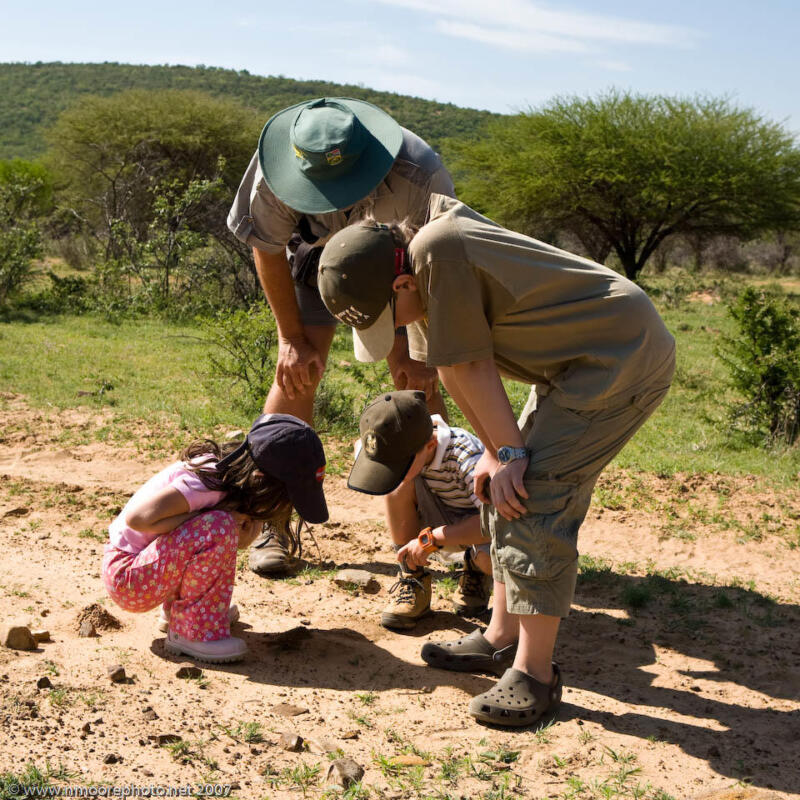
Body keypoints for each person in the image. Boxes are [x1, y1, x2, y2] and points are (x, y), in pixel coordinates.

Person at [316, 198, 676, 727]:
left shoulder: (437, 254)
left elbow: (473, 361)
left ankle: (536, 674)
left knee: (535, 495)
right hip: (569, 367)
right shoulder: (419, 278)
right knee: (501, 490)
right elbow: (453, 371)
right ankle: (500, 635)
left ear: (400, 287)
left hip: (618, 357)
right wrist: (492, 451)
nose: (388, 332)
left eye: (383, 319)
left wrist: (509, 454)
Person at [228, 96, 456, 576]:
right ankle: (270, 519)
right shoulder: (275, 172)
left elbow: (432, 266)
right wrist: (291, 338)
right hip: (317, 263)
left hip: (405, 270)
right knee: (297, 373)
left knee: (420, 387)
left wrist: (411, 348)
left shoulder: (419, 174)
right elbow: (267, 250)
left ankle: (452, 534)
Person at [102, 414, 328, 664]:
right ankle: (193, 631)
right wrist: (207, 516)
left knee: (219, 525)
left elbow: (226, 542)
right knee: (217, 526)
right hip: (127, 578)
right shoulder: (207, 482)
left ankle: (184, 614)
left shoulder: (235, 483)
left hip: (146, 571)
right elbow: (137, 519)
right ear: (262, 481)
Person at [348, 390, 492, 630]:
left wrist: (431, 539)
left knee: (489, 559)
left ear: (430, 445)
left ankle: (477, 568)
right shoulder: (389, 442)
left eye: (398, 463)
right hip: (440, 515)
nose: (389, 469)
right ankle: (412, 579)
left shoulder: (466, 457)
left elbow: (493, 523)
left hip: (480, 525)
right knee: (397, 485)